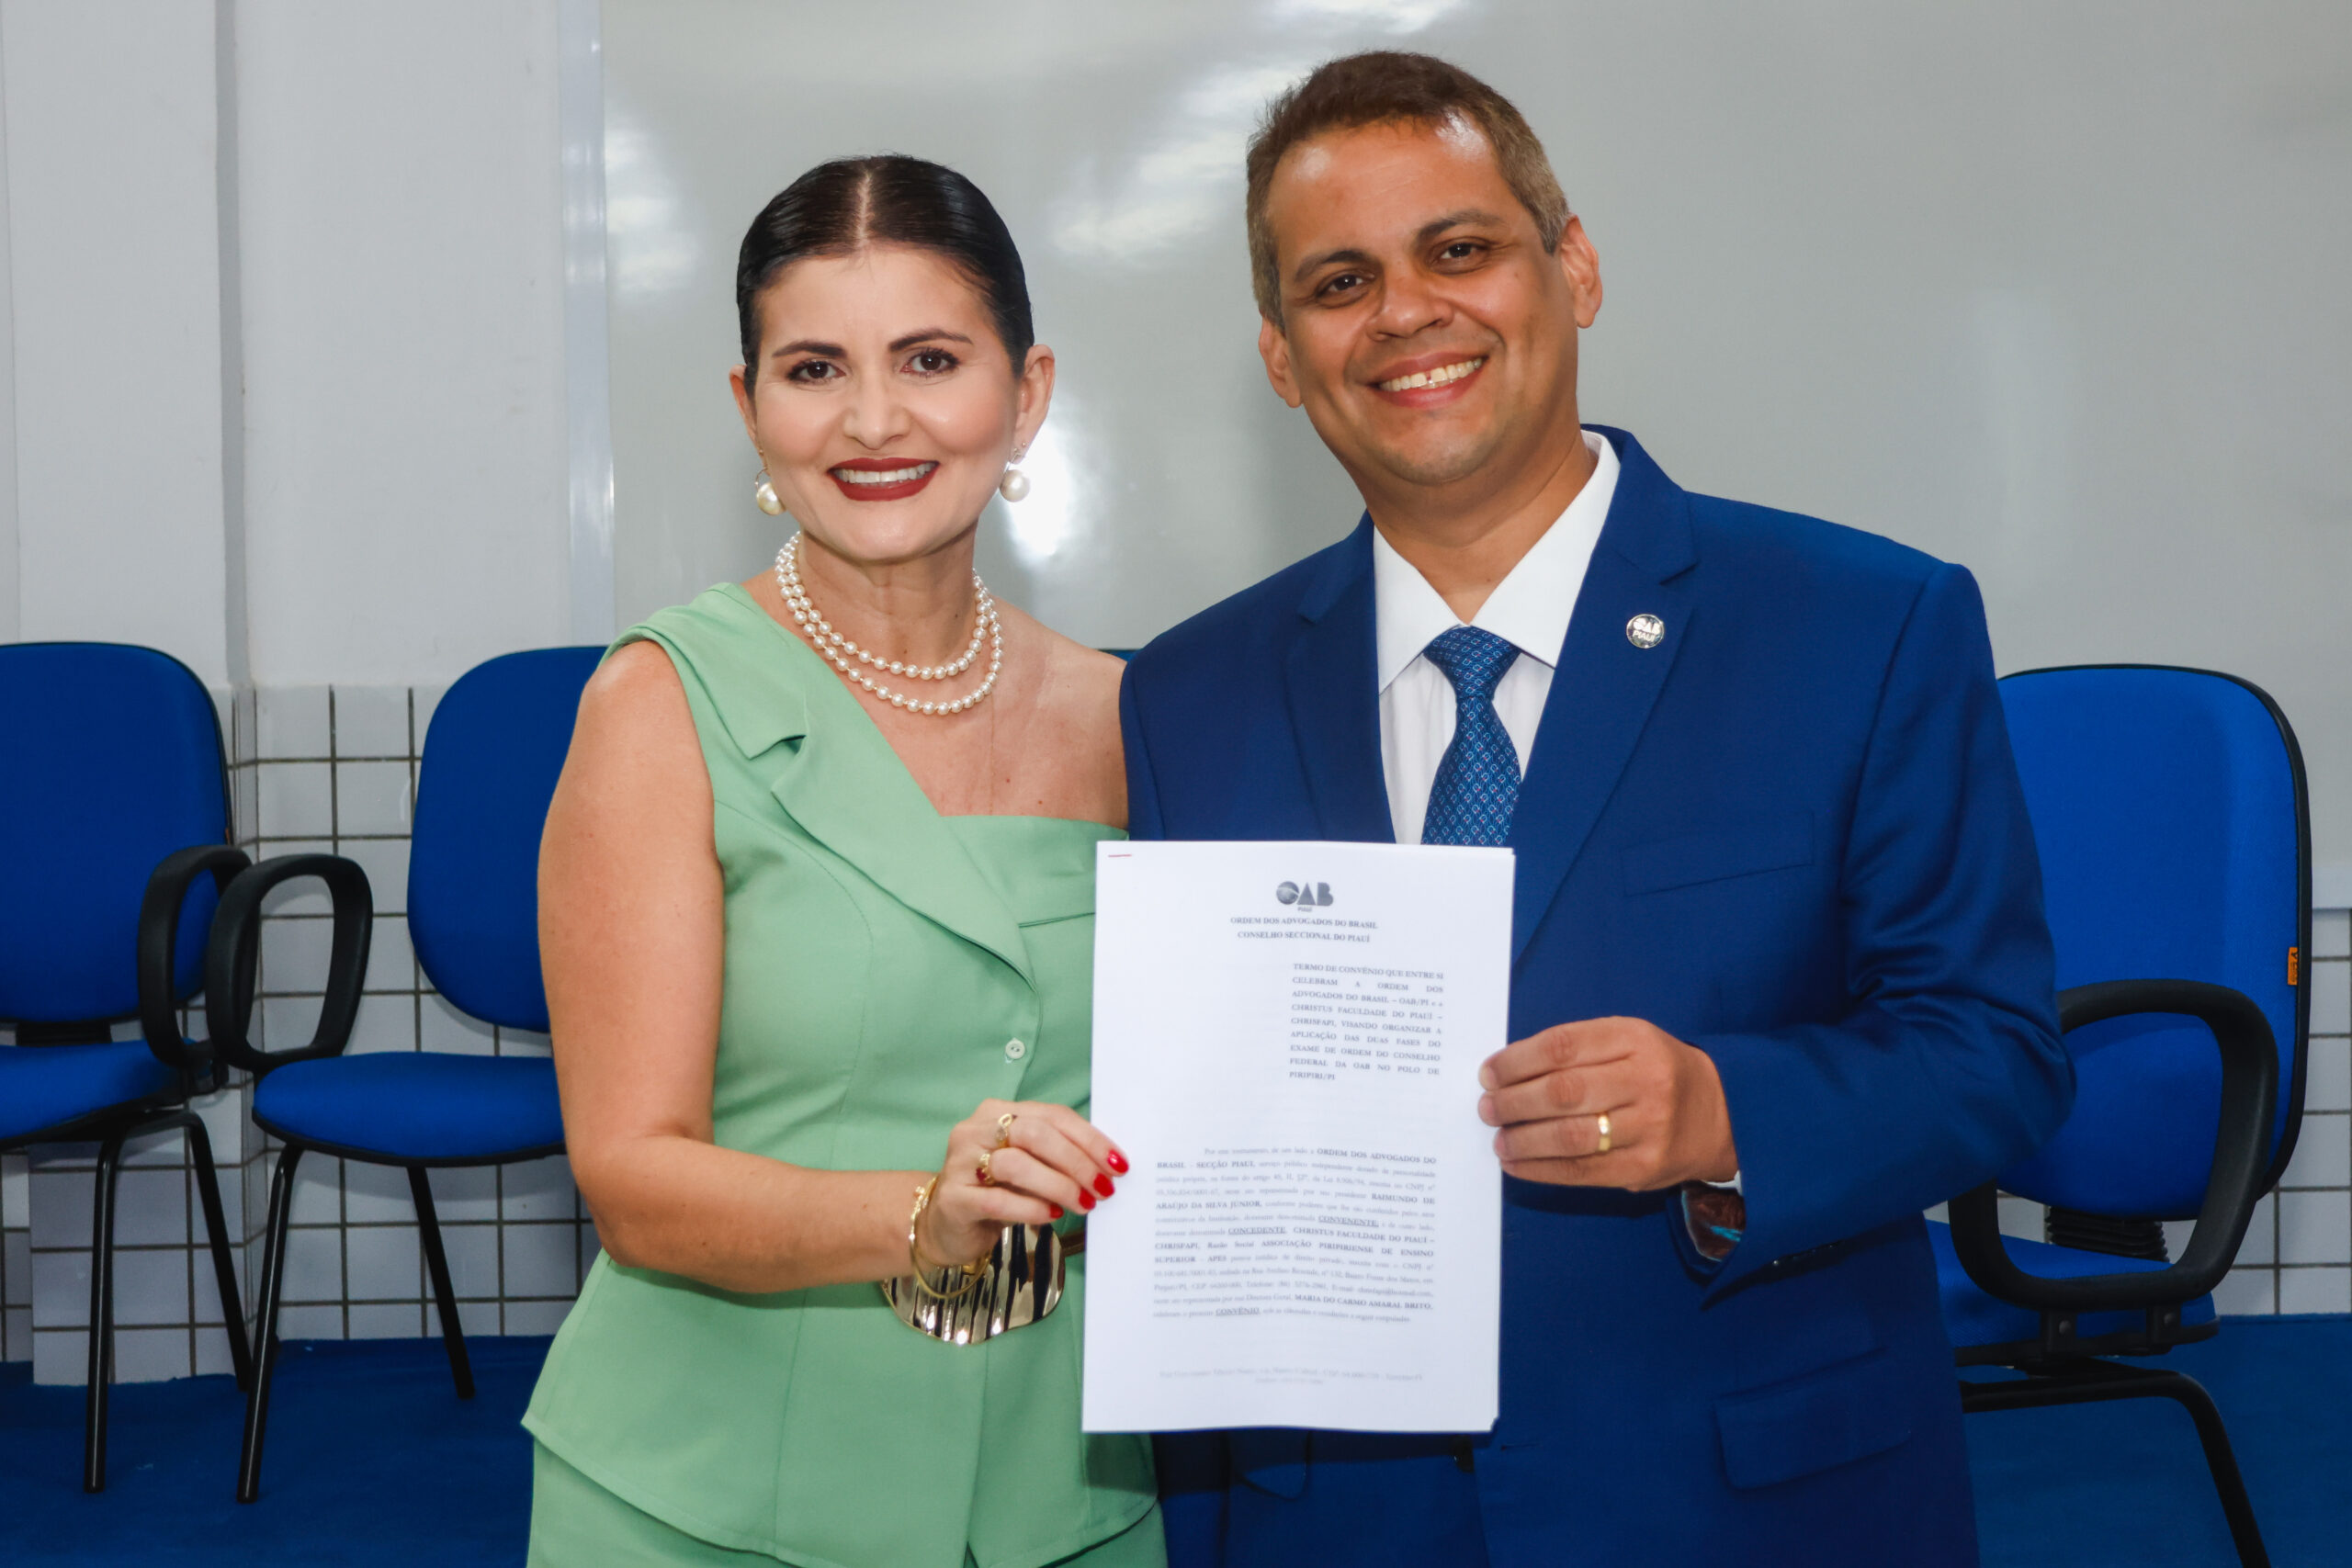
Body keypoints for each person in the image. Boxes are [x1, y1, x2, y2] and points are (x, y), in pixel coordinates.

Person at [1124, 52, 2073, 1566]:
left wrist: (1723, 1112)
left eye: (1459, 250)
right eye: (1340, 282)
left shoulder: (1862, 627)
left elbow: (1996, 1057)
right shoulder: (1186, 694)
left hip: (1745, 1503)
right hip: (1343, 1519)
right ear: (1283, 357)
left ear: (1573, 268)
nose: (1406, 314)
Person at [526, 155, 1163, 1568]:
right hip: (717, 1492)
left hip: (1070, 1490)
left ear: (1027, 393)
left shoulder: (1132, 716)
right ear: (751, 408)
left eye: (930, 359)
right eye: (815, 369)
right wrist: (926, 1220)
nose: (874, 420)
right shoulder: (659, 703)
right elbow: (631, 1177)